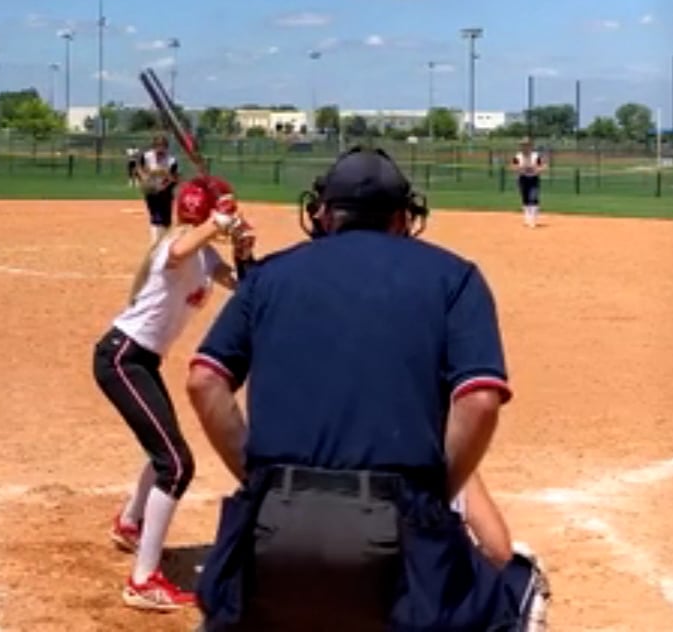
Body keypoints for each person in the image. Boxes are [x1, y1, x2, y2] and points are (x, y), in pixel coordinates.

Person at [184, 148, 548, 631]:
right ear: (403, 217)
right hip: (400, 532)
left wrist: (257, 478)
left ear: (323, 213)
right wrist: (436, 494)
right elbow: (479, 401)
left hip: (272, 531)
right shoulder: (454, 277)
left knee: (234, 610)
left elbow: (205, 381)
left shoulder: (267, 276)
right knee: (516, 591)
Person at [96, 175, 253, 613]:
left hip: (141, 362)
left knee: (164, 449)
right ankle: (142, 580)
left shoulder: (205, 254)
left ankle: (130, 523)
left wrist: (243, 251)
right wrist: (220, 221)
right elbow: (181, 251)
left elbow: (247, 289)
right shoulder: (175, 244)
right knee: (176, 464)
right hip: (121, 358)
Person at [138, 135, 181, 244]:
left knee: (166, 220)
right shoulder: (146, 156)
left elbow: (174, 178)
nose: (160, 150)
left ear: (166, 148)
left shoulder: (171, 160)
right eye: (157, 147)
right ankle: (155, 243)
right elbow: (140, 169)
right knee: (156, 216)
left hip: (165, 190)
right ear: (153, 147)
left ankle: (164, 241)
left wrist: (164, 177)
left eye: (162, 147)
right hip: (151, 189)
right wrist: (144, 178)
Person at [512, 138, 546, 228]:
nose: (525, 147)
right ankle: (527, 219)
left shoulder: (536, 156)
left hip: (534, 179)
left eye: (527, 145)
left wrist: (536, 169)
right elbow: (514, 166)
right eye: (523, 145)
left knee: (534, 198)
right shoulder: (518, 156)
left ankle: (533, 220)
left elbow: (542, 166)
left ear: (530, 146)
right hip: (523, 179)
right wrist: (521, 168)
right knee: (525, 199)